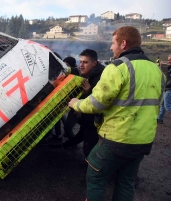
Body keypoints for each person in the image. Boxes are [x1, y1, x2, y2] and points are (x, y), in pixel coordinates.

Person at [69, 26, 165, 201]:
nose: (111, 48)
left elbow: (97, 103)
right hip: (143, 140)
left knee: (95, 177)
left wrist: (76, 104)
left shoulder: (118, 67)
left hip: (117, 138)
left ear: (123, 43)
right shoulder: (156, 70)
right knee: (125, 182)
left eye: (113, 43)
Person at [60, 50, 104, 158]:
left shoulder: (101, 77)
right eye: (80, 62)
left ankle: (92, 169)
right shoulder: (88, 73)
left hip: (95, 120)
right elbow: (74, 70)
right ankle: (68, 144)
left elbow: (101, 101)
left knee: (88, 145)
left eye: (85, 62)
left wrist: (89, 92)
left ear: (94, 63)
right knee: (82, 133)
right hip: (86, 117)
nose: (81, 65)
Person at [157, 54, 171, 124]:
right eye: (169, 60)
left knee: (167, 106)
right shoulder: (169, 68)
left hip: (169, 89)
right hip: (167, 88)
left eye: (170, 60)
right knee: (162, 104)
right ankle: (160, 118)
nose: (169, 62)